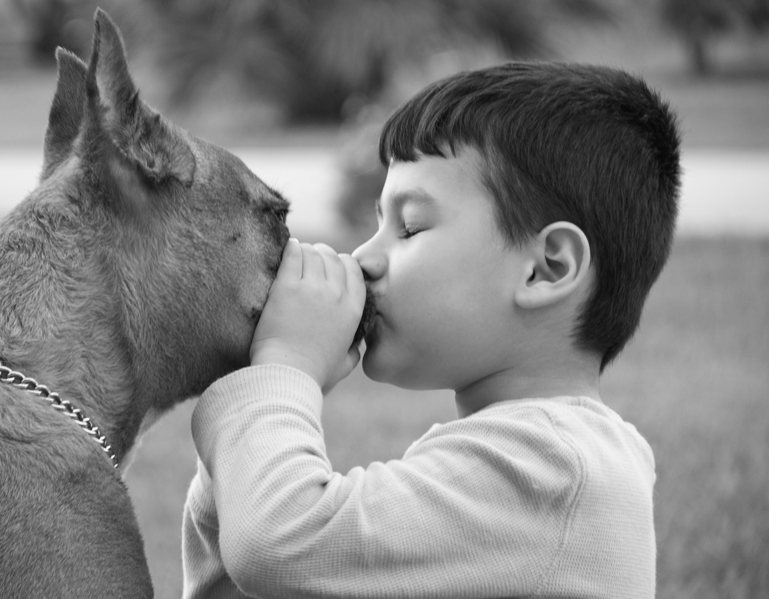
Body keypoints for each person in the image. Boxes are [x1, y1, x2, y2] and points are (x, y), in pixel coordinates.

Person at [182, 62, 681, 599]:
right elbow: (249, 576)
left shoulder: (550, 469)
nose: (365, 256)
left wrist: (286, 367)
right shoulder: (537, 460)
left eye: (411, 226)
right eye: (378, 223)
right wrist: (261, 387)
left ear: (546, 269)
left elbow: (276, 544)